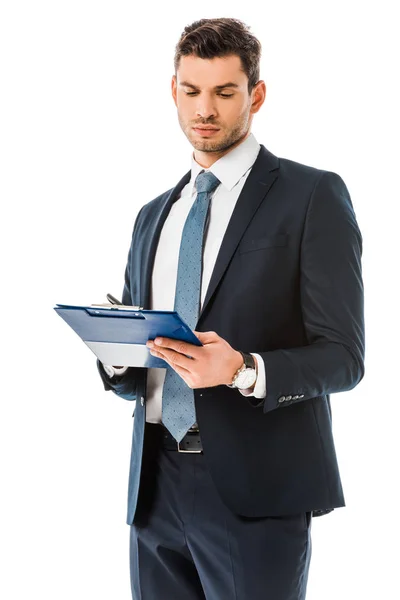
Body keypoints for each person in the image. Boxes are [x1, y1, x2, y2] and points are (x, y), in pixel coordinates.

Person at [96, 17, 365, 600]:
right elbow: (142, 359)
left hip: (259, 493)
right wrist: (116, 357)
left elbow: (344, 358)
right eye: (191, 91)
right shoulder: (153, 216)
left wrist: (244, 370)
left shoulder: (311, 195)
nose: (205, 110)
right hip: (155, 487)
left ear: (256, 95)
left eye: (224, 92)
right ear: (173, 91)